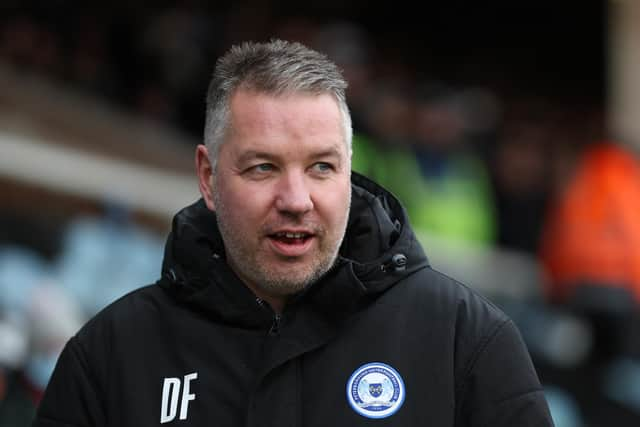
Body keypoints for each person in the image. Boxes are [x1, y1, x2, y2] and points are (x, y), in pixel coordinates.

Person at [33, 39, 553, 426]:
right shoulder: (112, 355)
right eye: (262, 168)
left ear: (351, 171)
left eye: (322, 168)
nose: (296, 199)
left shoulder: (466, 341)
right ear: (209, 177)